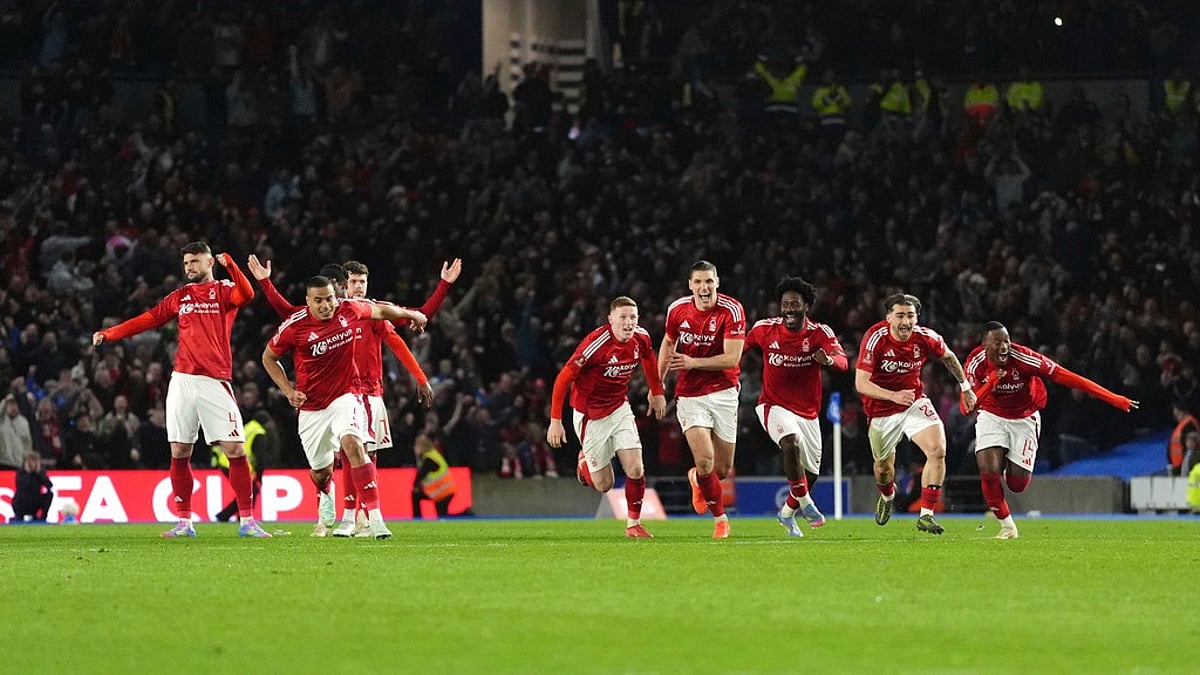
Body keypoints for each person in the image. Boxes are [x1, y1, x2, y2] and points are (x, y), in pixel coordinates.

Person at [248, 254, 452, 536]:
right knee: (322, 471)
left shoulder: (351, 309)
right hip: (311, 406)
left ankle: (373, 518)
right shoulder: (296, 325)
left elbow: (384, 312)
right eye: (318, 300)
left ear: (337, 294)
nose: (325, 305)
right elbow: (269, 357)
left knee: (354, 446)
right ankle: (326, 495)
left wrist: (413, 313)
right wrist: (288, 390)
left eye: (329, 298)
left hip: (348, 395)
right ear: (309, 302)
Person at [92, 241, 271, 538]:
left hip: (215, 381)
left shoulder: (224, 290)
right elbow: (147, 319)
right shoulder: (181, 296)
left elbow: (248, 294)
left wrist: (232, 265)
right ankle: (184, 522)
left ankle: (247, 521)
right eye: (186, 263)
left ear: (208, 263)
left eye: (195, 262)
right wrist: (109, 333)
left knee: (236, 449)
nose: (189, 268)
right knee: (179, 451)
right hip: (182, 381)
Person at [964, 321, 1139, 539]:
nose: (1003, 347)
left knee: (1017, 485)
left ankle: (1011, 459)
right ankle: (1008, 527)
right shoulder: (974, 363)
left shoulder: (1025, 358)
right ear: (984, 345)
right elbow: (966, 407)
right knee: (988, 470)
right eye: (997, 342)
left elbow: (1069, 377)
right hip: (992, 416)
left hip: (1024, 418)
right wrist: (989, 384)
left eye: (1006, 341)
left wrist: (1113, 398)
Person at [333, 258, 453, 536]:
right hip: (341, 394)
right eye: (353, 282)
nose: (359, 287)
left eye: (362, 281)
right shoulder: (334, 313)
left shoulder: (375, 312)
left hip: (371, 395)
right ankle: (349, 515)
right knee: (347, 454)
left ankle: (362, 515)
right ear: (343, 285)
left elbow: (416, 320)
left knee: (366, 455)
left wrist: (444, 284)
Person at [546, 296, 667, 538]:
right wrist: (555, 420)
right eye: (622, 317)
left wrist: (657, 392)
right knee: (604, 485)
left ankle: (633, 525)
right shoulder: (596, 344)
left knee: (635, 468)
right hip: (590, 415)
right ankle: (585, 462)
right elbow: (563, 378)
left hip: (619, 408)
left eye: (632, 317)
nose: (628, 322)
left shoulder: (641, 338)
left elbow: (649, 358)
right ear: (610, 319)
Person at [855, 292, 975, 535]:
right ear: (888, 317)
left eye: (910, 316)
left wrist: (966, 388)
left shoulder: (925, 337)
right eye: (900, 315)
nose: (906, 322)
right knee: (883, 468)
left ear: (917, 318)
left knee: (938, 450)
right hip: (882, 409)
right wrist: (893, 395)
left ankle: (927, 515)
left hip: (914, 402)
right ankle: (888, 495)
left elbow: (949, 357)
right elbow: (861, 383)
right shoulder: (875, 338)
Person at [743, 277, 848, 537]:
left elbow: (843, 362)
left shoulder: (819, 333)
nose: (789, 308)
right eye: (785, 304)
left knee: (810, 474)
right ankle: (807, 503)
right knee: (789, 442)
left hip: (808, 413)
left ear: (806, 307)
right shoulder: (764, 329)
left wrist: (829, 361)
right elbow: (738, 351)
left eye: (795, 304)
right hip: (772, 405)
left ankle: (787, 513)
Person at [658, 261, 745, 539]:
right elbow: (668, 343)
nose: (704, 288)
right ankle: (720, 520)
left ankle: (697, 478)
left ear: (717, 282)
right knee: (706, 460)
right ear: (690, 284)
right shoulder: (677, 310)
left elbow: (732, 358)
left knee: (721, 469)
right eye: (698, 282)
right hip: (690, 394)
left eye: (709, 281)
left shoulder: (732, 310)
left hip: (724, 392)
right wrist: (657, 385)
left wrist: (693, 361)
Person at [211, 410, 275, 522]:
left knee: (247, 491)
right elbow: (259, 456)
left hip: (226, 461)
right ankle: (236, 517)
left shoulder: (247, 427)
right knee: (250, 490)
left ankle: (230, 516)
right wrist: (260, 476)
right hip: (236, 464)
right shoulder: (259, 433)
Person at [411, 434, 457, 518]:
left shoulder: (429, 459)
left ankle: (417, 519)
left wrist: (415, 486)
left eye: (416, 446)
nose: (414, 448)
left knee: (443, 516)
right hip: (444, 490)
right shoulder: (433, 455)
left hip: (442, 491)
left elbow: (421, 474)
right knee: (443, 515)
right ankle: (465, 514)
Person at [13, 451, 54, 521]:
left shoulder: (41, 472)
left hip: (35, 500)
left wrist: (39, 473)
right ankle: (19, 516)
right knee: (18, 497)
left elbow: (49, 485)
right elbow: (21, 486)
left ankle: (43, 517)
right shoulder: (21, 472)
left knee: (50, 494)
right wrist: (28, 473)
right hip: (23, 501)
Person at [1, 393, 34, 470]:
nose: (13, 407)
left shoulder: (24, 422)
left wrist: (26, 459)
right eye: (10, 404)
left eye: (15, 404)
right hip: (2, 461)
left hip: (18, 463)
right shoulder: (2, 419)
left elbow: (27, 443)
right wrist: (7, 398)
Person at [1167, 401, 1198, 476]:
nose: (1175, 415)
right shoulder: (1182, 424)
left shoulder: (1189, 425)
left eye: (1177, 412)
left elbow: (1191, 449)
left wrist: (1184, 469)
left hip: (1184, 468)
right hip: (1177, 466)